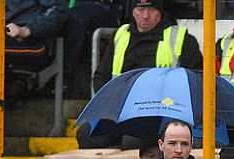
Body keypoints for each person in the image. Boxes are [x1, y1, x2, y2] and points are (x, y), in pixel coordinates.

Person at [80, 0, 203, 148]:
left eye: (151, 10)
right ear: (132, 11)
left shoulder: (182, 38)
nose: (145, 16)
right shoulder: (120, 35)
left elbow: (196, 80)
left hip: (162, 111)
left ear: (160, 13)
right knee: (86, 133)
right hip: (122, 109)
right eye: (140, 9)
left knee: (133, 140)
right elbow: (101, 76)